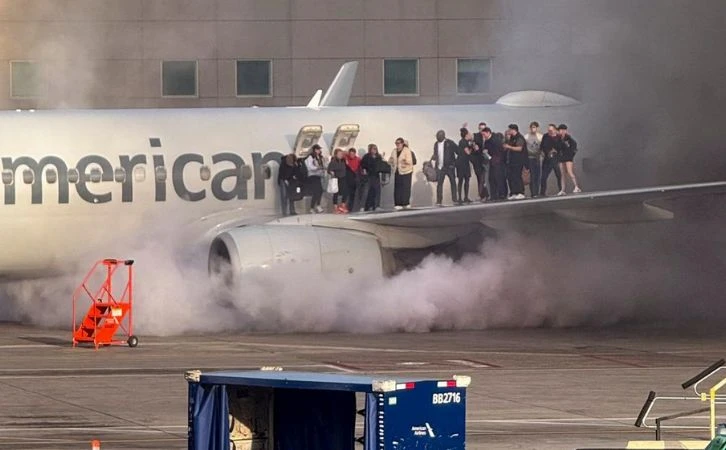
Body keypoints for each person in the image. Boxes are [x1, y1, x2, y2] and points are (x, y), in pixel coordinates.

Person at [430, 130, 458, 206]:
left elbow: (458, 151)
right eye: (436, 136)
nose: (437, 138)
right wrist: (434, 158)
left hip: (449, 167)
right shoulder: (436, 144)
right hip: (440, 167)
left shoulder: (450, 143)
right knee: (439, 184)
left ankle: (455, 199)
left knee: (453, 182)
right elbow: (436, 154)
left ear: (443, 136)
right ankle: (439, 200)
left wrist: (454, 163)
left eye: (438, 136)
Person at [503, 124, 528, 200]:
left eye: (510, 129)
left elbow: (519, 148)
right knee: (511, 177)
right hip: (511, 161)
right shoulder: (511, 138)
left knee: (517, 176)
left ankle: (521, 192)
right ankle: (514, 192)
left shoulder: (519, 138)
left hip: (518, 161)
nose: (509, 131)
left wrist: (509, 147)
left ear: (514, 130)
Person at [388, 137, 414, 209]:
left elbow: (410, 161)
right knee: (397, 188)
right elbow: (391, 159)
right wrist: (390, 161)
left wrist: (404, 161)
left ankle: (405, 203)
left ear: (402, 144)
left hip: (406, 171)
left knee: (405, 188)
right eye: (396, 143)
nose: (397, 145)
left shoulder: (407, 151)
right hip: (397, 171)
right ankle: (397, 203)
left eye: (398, 143)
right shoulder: (394, 151)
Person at [556, 124, 582, 195]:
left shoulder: (569, 139)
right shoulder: (558, 139)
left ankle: (576, 187)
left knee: (570, 172)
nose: (561, 131)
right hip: (561, 158)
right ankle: (562, 190)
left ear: (565, 130)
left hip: (568, 158)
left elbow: (574, 147)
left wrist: (571, 155)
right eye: (560, 130)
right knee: (562, 174)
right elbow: (557, 147)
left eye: (563, 130)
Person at [483, 127, 507, 200]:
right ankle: (493, 195)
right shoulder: (487, 141)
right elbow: (486, 150)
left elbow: (500, 151)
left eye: (484, 134)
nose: (484, 136)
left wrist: (494, 158)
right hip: (491, 162)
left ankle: (502, 194)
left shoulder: (496, 140)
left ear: (488, 132)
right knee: (491, 178)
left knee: (499, 178)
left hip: (498, 161)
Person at [540, 123, 562, 196]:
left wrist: (556, 151)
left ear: (555, 130)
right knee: (544, 176)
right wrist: (544, 152)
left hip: (556, 159)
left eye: (551, 130)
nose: (550, 132)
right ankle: (542, 192)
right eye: (549, 130)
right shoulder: (546, 136)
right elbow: (542, 146)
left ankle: (561, 189)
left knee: (559, 175)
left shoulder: (559, 137)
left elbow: (562, 147)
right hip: (547, 159)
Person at [360, 144, 383, 211]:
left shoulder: (378, 156)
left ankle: (377, 206)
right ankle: (363, 206)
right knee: (366, 192)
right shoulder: (366, 156)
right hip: (368, 176)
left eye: (375, 148)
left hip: (376, 176)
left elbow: (381, 165)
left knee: (377, 192)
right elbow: (363, 165)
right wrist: (364, 171)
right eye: (373, 148)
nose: (374, 150)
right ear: (370, 149)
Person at [524, 121, 543, 198]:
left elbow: (542, 147)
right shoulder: (526, 137)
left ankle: (537, 191)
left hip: (538, 158)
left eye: (534, 127)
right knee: (531, 175)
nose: (533, 129)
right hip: (530, 157)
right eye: (532, 127)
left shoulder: (540, 136)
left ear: (537, 128)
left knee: (537, 175)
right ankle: (533, 192)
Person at [304, 144, 325, 213]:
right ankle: (312, 207)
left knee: (320, 191)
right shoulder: (310, 157)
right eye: (318, 149)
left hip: (319, 175)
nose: (319, 151)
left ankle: (317, 205)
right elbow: (309, 167)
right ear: (315, 150)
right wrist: (317, 168)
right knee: (317, 191)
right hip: (313, 176)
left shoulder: (319, 157)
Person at [471, 122, 489, 201]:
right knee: (480, 178)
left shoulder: (488, 136)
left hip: (487, 161)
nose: (482, 131)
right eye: (480, 129)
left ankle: (487, 194)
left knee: (486, 178)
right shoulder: (476, 136)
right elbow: (472, 145)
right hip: (478, 161)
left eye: (483, 129)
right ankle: (481, 195)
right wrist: (474, 147)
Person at [327, 148, 348, 213]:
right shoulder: (333, 162)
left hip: (343, 177)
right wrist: (331, 172)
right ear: (336, 155)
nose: (340, 155)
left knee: (345, 192)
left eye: (341, 154)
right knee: (336, 193)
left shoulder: (343, 161)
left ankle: (343, 205)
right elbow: (329, 170)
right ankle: (335, 207)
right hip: (336, 178)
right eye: (339, 154)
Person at [344, 147, 361, 212]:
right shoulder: (346, 158)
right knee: (346, 193)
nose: (351, 156)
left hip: (354, 178)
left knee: (352, 195)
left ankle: (350, 208)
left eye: (353, 154)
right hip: (347, 178)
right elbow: (343, 154)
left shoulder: (358, 159)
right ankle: (345, 207)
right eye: (350, 154)